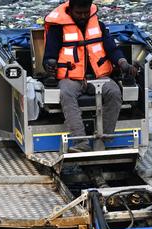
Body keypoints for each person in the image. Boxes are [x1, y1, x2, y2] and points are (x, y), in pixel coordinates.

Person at [42, 0, 138, 151]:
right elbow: (48, 56)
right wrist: (49, 65)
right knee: (66, 94)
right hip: (71, 79)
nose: (82, 16)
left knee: (114, 92)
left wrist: (124, 64)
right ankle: (81, 142)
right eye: (78, 13)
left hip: (98, 77)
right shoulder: (57, 29)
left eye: (86, 13)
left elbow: (113, 50)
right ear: (70, 10)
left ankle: (105, 137)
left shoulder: (99, 26)